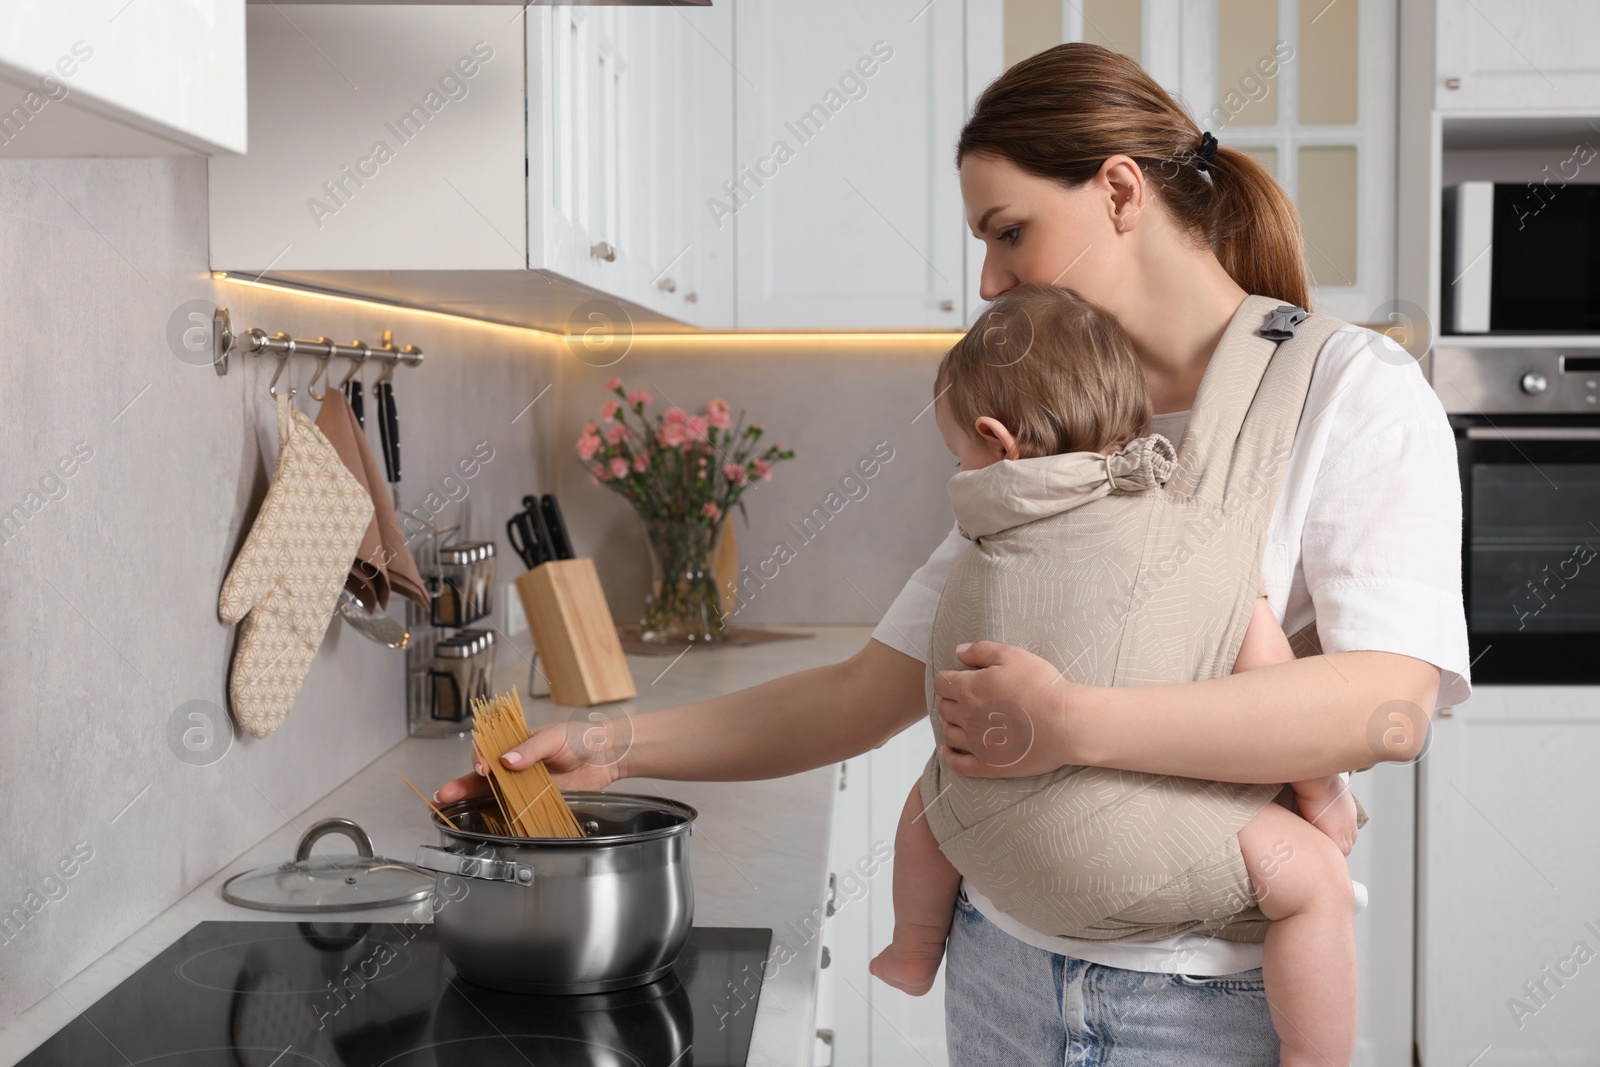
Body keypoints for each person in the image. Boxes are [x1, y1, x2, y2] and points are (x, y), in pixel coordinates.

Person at [437, 42, 1469, 1062]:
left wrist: (1067, 723)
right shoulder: (1048, 430)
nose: (987, 279)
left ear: (1118, 191)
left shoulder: (1349, 392)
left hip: (1196, 1002)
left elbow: (1384, 704)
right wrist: (602, 748)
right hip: (998, 970)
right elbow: (859, 694)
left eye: (1009, 231)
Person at [865, 283, 1360, 1067]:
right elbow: (1275, 687)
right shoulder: (1195, 530)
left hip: (995, 855)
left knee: (929, 801)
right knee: (1316, 884)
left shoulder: (980, 553)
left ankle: (911, 946)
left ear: (997, 444)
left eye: (954, 449)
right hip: (1151, 861)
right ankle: (1316, 1052)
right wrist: (1323, 793)